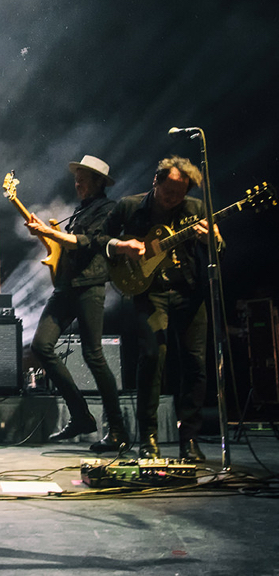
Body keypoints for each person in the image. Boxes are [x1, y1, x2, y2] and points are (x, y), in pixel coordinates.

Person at [100, 155, 222, 462]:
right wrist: (121, 246)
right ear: (156, 182)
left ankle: (189, 440)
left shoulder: (195, 209)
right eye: (168, 192)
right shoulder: (130, 206)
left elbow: (216, 250)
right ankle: (149, 438)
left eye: (180, 194)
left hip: (189, 293)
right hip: (149, 294)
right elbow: (99, 238)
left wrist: (214, 241)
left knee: (195, 363)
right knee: (154, 356)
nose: (173, 199)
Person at [26, 155, 128, 453]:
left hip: (89, 287)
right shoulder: (82, 209)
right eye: (77, 178)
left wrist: (49, 232)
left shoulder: (108, 210)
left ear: (99, 182)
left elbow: (83, 242)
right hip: (67, 287)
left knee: (93, 355)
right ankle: (82, 416)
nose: (78, 182)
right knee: (41, 346)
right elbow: (64, 244)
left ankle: (118, 430)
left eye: (84, 178)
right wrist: (45, 233)